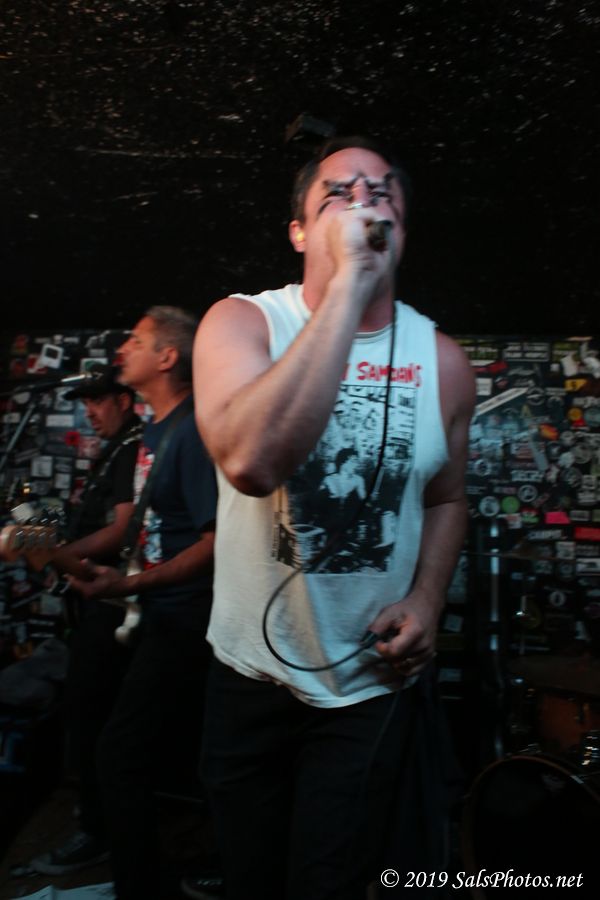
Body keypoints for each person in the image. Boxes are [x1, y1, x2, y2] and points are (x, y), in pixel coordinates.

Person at [192, 136, 476, 900]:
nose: (364, 203)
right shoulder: (243, 323)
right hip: (249, 676)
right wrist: (350, 287)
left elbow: (447, 500)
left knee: (330, 883)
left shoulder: (444, 362)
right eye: (338, 195)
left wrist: (427, 599)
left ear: (402, 230)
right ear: (298, 232)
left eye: (382, 194)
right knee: (251, 878)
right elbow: (251, 462)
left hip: (367, 685)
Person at [67, 306, 218, 900]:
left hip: (186, 617)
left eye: (135, 340)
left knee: (120, 754)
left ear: (167, 357)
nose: (122, 349)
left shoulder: (194, 431)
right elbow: (150, 532)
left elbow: (215, 542)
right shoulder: (155, 432)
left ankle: (140, 887)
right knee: (142, 750)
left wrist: (129, 586)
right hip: (157, 610)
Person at [32, 365, 142, 875]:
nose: (90, 411)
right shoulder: (116, 449)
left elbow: (122, 529)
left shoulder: (134, 447)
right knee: (87, 717)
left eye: (98, 400)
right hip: (94, 602)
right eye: (86, 402)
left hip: (113, 604)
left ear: (124, 399)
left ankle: (101, 832)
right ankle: (99, 821)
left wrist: (63, 552)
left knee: (94, 718)